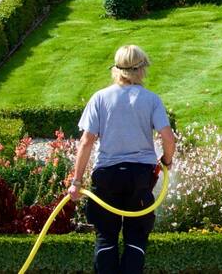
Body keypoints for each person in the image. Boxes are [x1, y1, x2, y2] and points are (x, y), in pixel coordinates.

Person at [66, 45, 176, 274]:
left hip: (107, 176)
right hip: (140, 177)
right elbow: (168, 138)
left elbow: (86, 142)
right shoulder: (151, 100)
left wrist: (76, 181)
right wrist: (167, 160)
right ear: (142, 69)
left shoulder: (100, 98)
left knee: (106, 237)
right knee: (136, 238)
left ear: (116, 69)